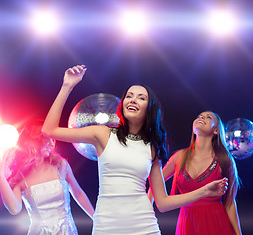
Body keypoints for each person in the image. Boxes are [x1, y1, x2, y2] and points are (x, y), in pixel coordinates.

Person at [42, 65, 228, 235]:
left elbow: (162, 203)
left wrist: (203, 191)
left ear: (150, 109)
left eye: (141, 97)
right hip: (107, 226)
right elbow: (49, 130)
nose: (133, 99)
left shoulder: (152, 147)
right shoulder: (103, 134)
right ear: (123, 104)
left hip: (145, 227)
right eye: (129, 96)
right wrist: (67, 86)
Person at [148, 111, 242, 235]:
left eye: (209, 117)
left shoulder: (225, 159)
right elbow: (154, 185)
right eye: (199, 116)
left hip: (217, 224)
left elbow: (229, 203)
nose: (202, 117)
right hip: (187, 224)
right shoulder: (179, 157)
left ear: (216, 131)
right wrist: (147, 212)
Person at [0, 120, 94, 235]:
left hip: (68, 231)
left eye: (51, 138)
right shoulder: (20, 178)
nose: (51, 143)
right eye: (44, 138)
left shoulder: (61, 165)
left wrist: (96, 218)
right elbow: (14, 209)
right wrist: (0, 176)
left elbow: (78, 193)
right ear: (31, 141)